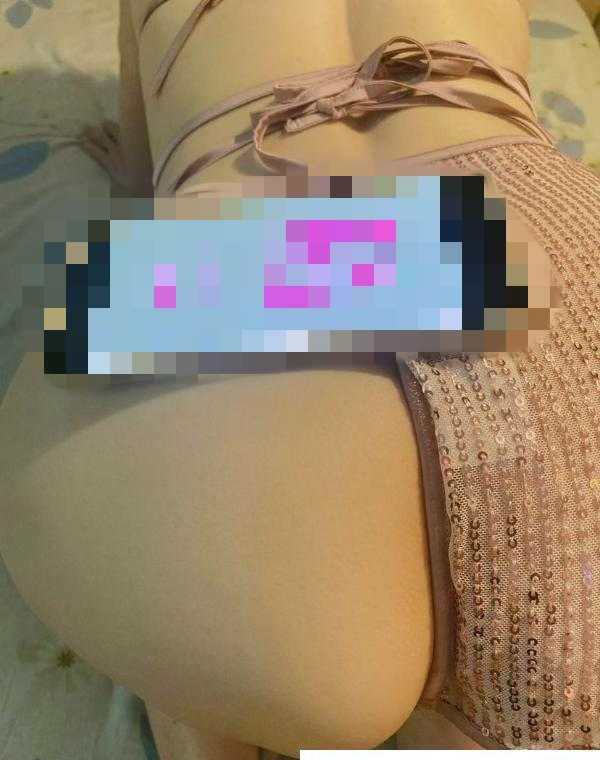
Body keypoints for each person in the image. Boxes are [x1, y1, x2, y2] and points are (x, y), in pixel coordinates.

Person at [1, 0, 599, 757]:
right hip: (536, 223)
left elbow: (136, 173)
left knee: (86, 307)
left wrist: (134, 183)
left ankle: (212, 699)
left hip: (262, 222)